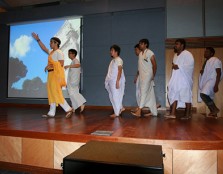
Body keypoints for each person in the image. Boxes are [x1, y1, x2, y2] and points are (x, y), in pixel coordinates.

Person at [32, 32, 73, 118]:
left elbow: (61, 64)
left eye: (51, 42)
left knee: (56, 92)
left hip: (56, 75)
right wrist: (38, 40)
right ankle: (51, 112)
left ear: (56, 43)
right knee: (51, 93)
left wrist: (50, 65)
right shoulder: (51, 52)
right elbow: (44, 48)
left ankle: (68, 109)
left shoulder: (59, 52)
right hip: (51, 75)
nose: (50, 44)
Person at [165, 39, 194, 119]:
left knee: (186, 97)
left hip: (184, 80)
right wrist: (175, 66)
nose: (175, 45)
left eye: (177, 44)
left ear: (182, 45)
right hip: (176, 79)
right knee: (173, 94)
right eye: (175, 44)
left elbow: (190, 66)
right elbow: (174, 66)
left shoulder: (187, 54)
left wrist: (179, 66)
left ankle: (187, 115)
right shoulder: (175, 55)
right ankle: (173, 113)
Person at [131, 39, 158, 117]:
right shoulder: (140, 54)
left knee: (143, 92)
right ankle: (154, 112)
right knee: (150, 94)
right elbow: (140, 67)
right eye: (139, 44)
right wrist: (137, 76)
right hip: (142, 77)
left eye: (141, 44)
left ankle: (139, 111)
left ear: (146, 44)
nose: (140, 45)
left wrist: (153, 75)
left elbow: (155, 65)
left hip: (148, 76)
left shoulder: (150, 53)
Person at [198, 47, 222, 118]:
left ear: (212, 53)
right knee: (209, 97)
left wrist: (216, 85)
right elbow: (207, 72)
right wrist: (202, 72)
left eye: (207, 52)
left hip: (212, 80)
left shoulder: (215, 60)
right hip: (207, 81)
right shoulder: (206, 61)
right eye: (205, 51)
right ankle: (214, 115)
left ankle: (214, 109)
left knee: (203, 94)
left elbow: (219, 72)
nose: (205, 53)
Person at [105, 45, 125, 118]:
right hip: (111, 81)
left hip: (116, 80)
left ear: (116, 52)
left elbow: (119, 70)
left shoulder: (119, 60)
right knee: (113, 96)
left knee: (115, 96)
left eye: (112, 50)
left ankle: (117, 113)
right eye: (110, 50)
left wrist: (117, 81)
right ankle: (121, 107)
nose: (111, 52)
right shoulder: (113, 60)